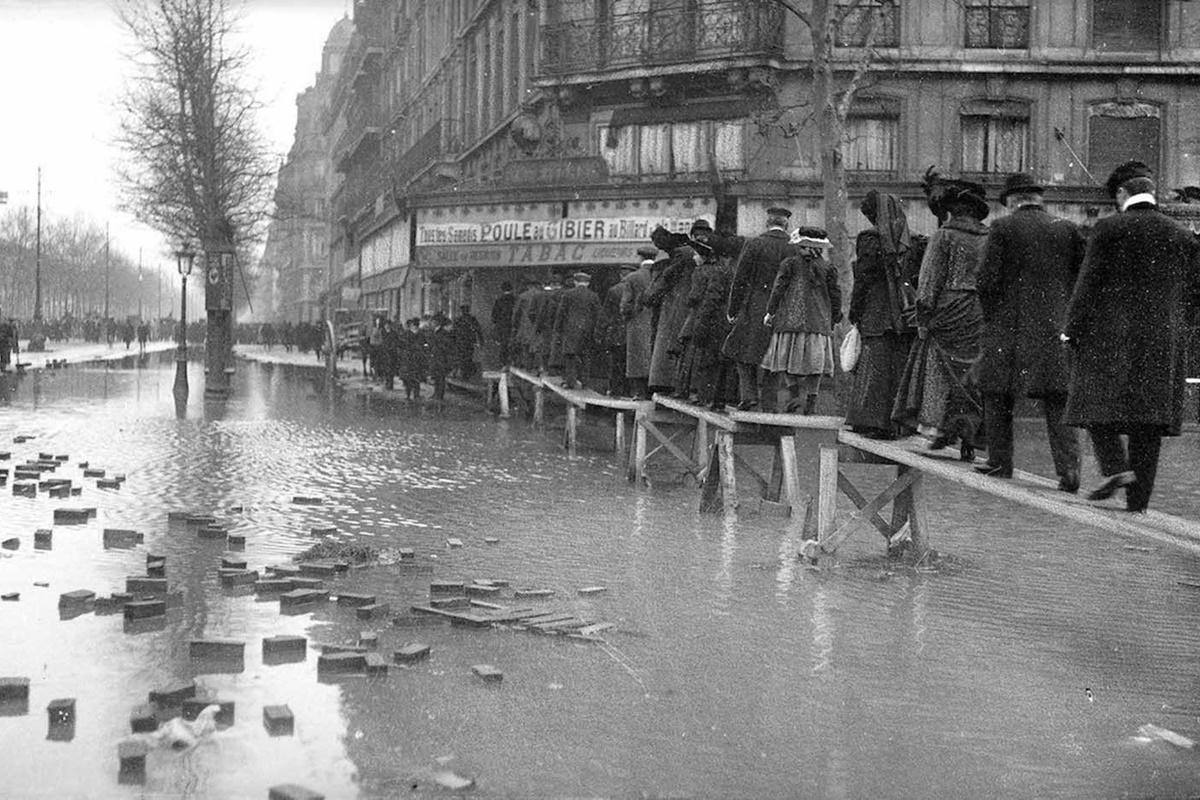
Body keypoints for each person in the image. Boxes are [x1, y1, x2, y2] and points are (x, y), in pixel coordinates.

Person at [1062, 160, 1200, 512]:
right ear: (1152, 194)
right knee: (1149, 422)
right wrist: (1180, 322)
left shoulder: (1108, 229)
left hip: (1111, 336)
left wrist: (1071, 329)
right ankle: (1138, 504)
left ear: (1122, 194)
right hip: (1163, 340)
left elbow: (1087, 284)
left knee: (1092, 402)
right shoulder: (1181, 235)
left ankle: (1114, 467)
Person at [975, 172, 1085, 491]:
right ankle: (1069, 470)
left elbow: (986, 281)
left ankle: (999, 461)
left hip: (1008, 329)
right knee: (1058, 398)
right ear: (1039, 199)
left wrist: (994, 317)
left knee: (996, 392)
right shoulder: (1066, 229)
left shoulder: (1002, 228)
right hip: (1054, 327)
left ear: (1011, 200)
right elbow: (1080, 281)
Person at [893, 179, 990, 460]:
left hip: (948, 309)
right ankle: (969, 434)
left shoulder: (944, 236)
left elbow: (928, 282)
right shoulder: (989, 237)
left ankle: (937, 430)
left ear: (950, 212)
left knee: (937, 369)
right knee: (970, 373)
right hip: (978, 311)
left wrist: (923, 318)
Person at [846, 191, 917, 439]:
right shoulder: (910, 241)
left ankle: (872, 422)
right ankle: (898, 423)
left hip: (876, 312)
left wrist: (854, 311)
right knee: (898, 367)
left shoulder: (869, 240)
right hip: (904, 313)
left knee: (875, 368)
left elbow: (863, 281)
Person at [762, 227, 842, 414]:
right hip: (818, 322)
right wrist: (835, 316)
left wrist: (770, 312)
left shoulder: (789, 264)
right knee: (815, 365)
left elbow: (778, 289)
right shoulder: (828, 268)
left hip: (791, 321)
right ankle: (811, 402)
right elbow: (835, 295)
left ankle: (794, 395)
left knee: (787, 360)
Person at [723, 206, 797, 410]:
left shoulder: (755, 244)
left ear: (767, 223)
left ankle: (748, 396)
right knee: (775, 355)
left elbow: (740, 279)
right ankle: (769, 403)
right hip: (784, 308)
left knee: (741, 350)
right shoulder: (794, 247)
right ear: (786, 224)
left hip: (755, 305)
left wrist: (733, 309)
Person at [553, 271, 601, 390]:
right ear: (588, 283)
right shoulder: (593, 296)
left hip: (571, 329)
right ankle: (585, 383)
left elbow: (561, 313)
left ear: (575, 282)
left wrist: (557, 329)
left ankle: (570, 382)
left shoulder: (568, 294)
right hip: (587, 330)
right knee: (585, 356)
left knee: (570, 356)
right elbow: (598, 315)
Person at [621, 250, 657, 399]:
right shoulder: (660, 275)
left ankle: (639, 393)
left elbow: (625, 305)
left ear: (640, 258)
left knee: (637, 359)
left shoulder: (632, 277)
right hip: (657, 323)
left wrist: (627, 317)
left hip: (637, 322)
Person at [601, 263, 634, 397]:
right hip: (633, 333)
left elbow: (606, 315)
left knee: (615, 365)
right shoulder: (638, 287)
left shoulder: (613, 290)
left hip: (617, 334)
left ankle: (615, 391)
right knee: (629, 364)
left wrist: (601, 333)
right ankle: (628, 392)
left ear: (621, 275)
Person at [428, 314, 455, 401]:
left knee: (440, 377)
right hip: (436, 357)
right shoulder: (435, 332)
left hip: (441, 358)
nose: (431, 324)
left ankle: (440, 395)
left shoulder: (443, 333)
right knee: (436, 377)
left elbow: (446, 346)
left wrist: (438, 349)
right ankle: (436, 393)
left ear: (437, 323)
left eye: (432, 322)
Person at [399, 318, 427, 400]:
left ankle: (410, 395)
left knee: (411, 378)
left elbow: (403, 344)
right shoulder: (420, 334)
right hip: (414, 358)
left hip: (410, 358)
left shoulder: (408, 333)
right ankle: (415, 394)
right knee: (414, 378)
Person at [490, 282, 516, 367]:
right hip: (514, 325)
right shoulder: (515, 299)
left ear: (502, 290)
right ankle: (514, 361)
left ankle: (504, 363)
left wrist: (496, 325)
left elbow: (494, 316)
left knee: (503, 345)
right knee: (514, 343)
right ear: (511, 289)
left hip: (502, 326)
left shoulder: (499, 300)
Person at [454, 304, 483, 379]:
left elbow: (453, 332)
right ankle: (467, 374)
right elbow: (478, 330)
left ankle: (463, 374)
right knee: (468, 357)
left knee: (461, 358)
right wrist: (481, 342)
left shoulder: (458, 320)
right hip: (469, 342)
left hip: (460, 342)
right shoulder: (472, 319)